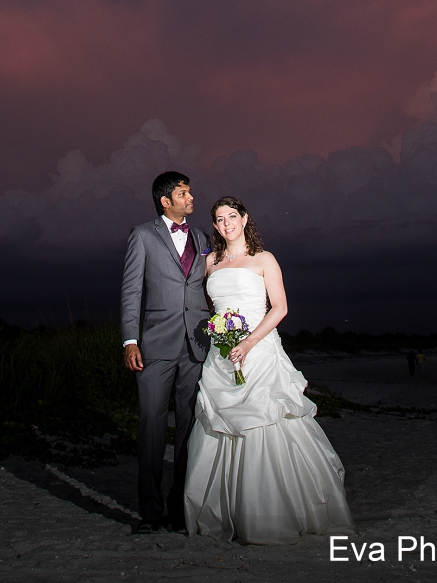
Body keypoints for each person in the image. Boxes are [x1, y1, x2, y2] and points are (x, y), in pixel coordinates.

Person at [183, 196, 354, 544]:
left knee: (265, 420)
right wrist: (222, 337)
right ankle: (225, 513)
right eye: (219, 219)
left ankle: (272, 513)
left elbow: (279, 308)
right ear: (215, 226)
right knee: (220, 424)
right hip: (221, 353)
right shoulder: (210, 262)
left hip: (259, 350)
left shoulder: (264, 259)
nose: (227, 223)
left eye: (232, 216)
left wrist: (247, 343)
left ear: (244, 219)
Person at [120, 170, 211, 533]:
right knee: (152, 427)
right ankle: (150, 511)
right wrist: (130, 340)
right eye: (183, 192)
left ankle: (179, 508)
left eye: (190, 191)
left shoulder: (203, 237)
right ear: (165, 201)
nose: (191, 197)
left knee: (190, 428)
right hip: (155, 346)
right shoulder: (143, 235)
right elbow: (131, 291)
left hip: (198, 346)